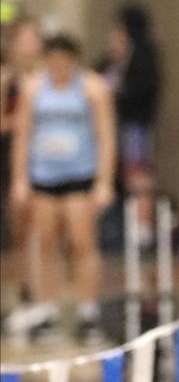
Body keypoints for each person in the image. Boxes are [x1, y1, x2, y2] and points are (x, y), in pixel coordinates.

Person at [11, 34, 115, 343]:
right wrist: (20, 179)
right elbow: (23, 134)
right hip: (44, 176)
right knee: (45, 243)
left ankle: (87, 311)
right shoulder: (34, 89)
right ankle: (46, 310)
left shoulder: (92, 88)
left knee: (82, 242)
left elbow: (105, 134)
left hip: (78, 175)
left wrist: (104, 181)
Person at [97, 4, 162, 247]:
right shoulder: (112, 59)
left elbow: (143, 90)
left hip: (136, 125)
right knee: (116, 175)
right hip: (112, 126)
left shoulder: (145, 55)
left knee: (138, 175)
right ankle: (114, 228)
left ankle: (142, 230)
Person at [1, 15, 45, 335]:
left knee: (41, 234)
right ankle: (16, 298)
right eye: (25, 39)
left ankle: (39, 301)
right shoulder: (7, 79)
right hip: (10, 160)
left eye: (35, 38)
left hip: (44, 162)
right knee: (16, 234)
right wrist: (23, 122)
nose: (31, 45)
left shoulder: (50, 78)